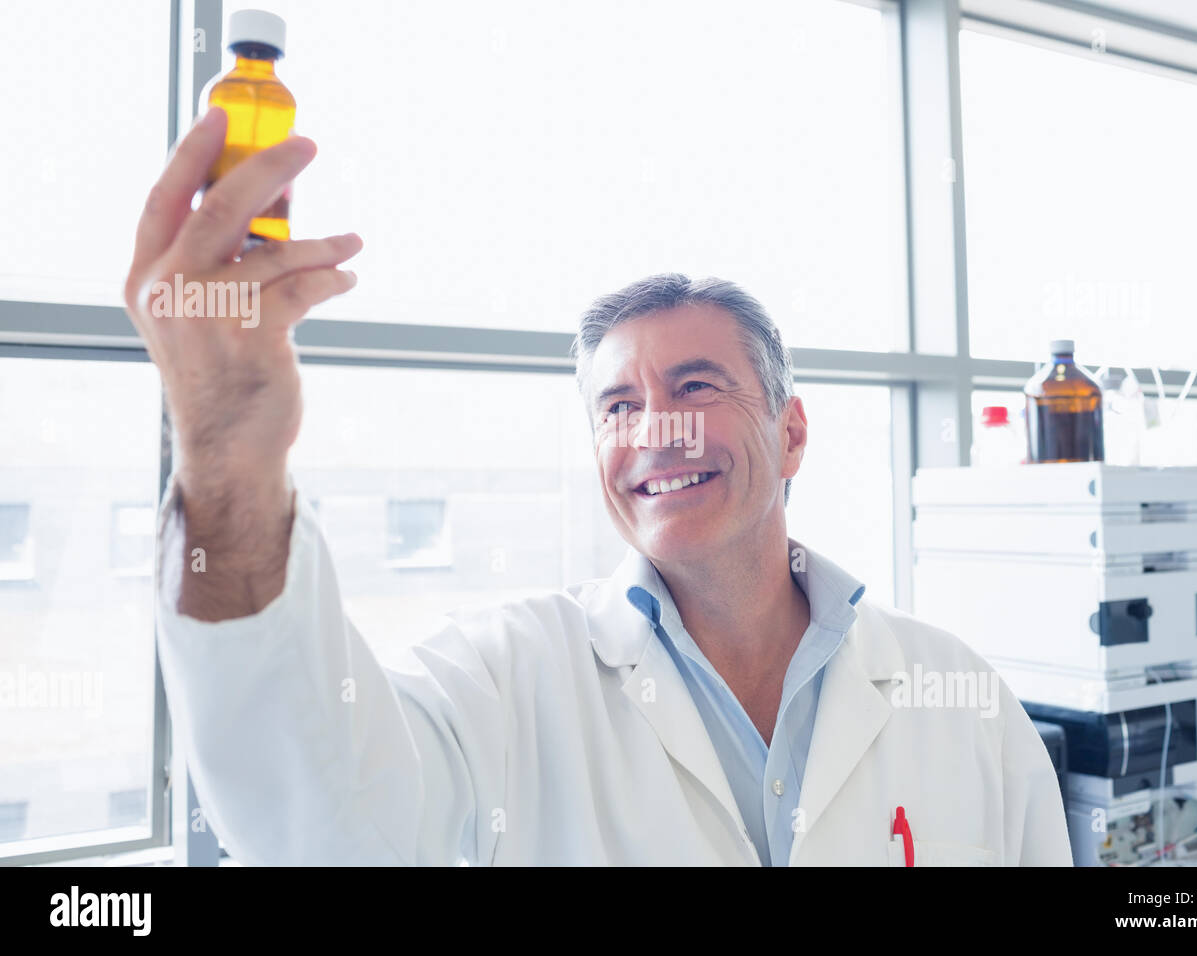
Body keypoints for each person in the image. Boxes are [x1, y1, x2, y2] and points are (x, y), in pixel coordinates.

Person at [123, 107, 1073, 866]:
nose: (653, 429)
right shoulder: (511, 677)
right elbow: (323, 825)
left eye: (695, 386)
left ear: (790, 433)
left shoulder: (961, 700)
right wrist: (227, 452)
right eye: (617, 407)